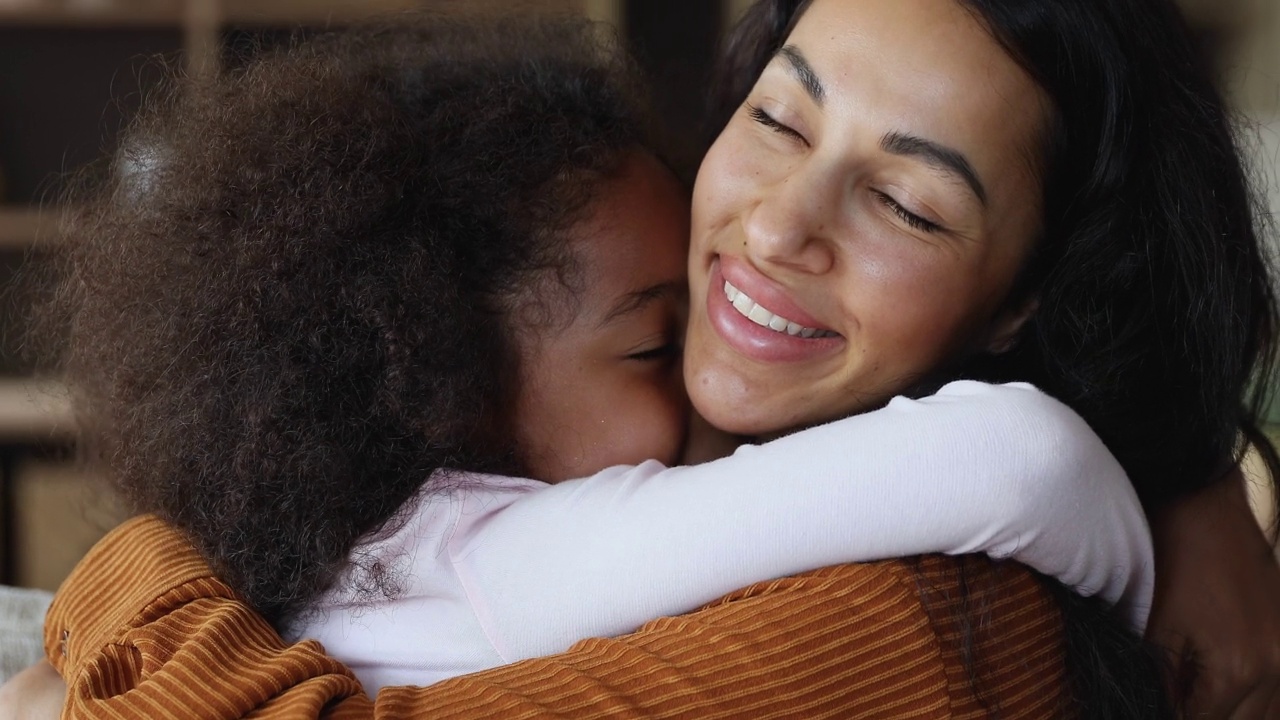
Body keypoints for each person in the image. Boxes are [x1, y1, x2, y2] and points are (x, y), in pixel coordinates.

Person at [7, 0, 1280, 715]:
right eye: (776, 117)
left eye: (906, 203)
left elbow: (1012, 458)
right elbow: (1016, 452)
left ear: (1029, 300)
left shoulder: (906, 620)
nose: (772, 228)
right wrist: (1175, 493)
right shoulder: (514, 533)